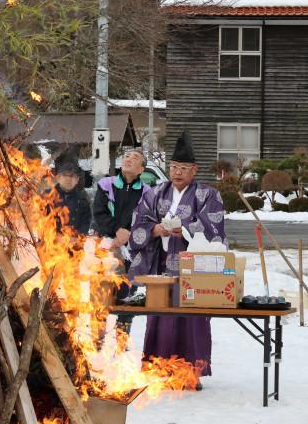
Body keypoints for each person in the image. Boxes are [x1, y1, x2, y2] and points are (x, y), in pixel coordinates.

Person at [129, 131, 225, 384]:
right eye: (173, 167)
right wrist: (154, 229)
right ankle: (159, 370)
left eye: (183, 168)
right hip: (161, 265)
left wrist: (182, 228)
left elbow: (213, 224)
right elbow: (140, 221)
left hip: (193, 269)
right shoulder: (155, 193)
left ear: (194, 169)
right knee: (160, 318)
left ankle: (191, 373)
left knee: (192, 321)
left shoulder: (208, 195)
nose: (177, 173)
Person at [93, 148, 151, 336]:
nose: (129, 160)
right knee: (100, 297)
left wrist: (129, 234)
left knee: (127, 300)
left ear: (142, 169)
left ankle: (121, 343)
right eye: (126, 156)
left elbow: (147, 220)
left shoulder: (147, 193)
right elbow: (99, 214)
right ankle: (96, 340)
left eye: (135, 158)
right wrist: (116, 231)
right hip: (104, 248)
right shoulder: (106, 185)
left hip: (131, 252)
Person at [50, 156, 91, 235]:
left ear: (77, 180)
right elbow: (40, 222)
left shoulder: (82, 199)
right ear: (58, 178)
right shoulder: (47, 197)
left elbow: (86, 223)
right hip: (51, 242)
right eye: (65, 175)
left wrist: (76, 237)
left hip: (74, 242)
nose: (68, 179)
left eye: (72, 176)